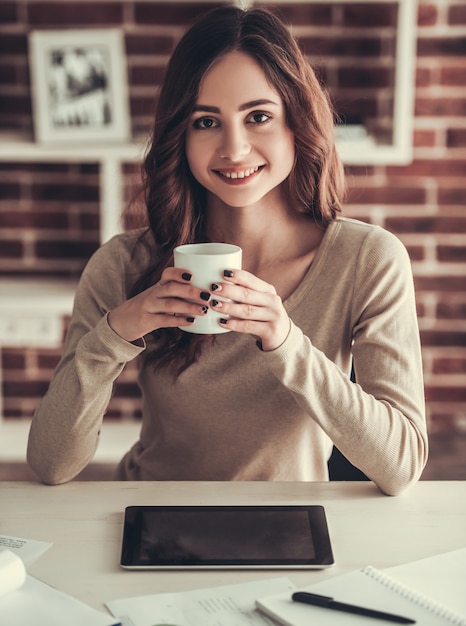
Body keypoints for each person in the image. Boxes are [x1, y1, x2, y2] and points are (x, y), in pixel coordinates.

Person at [27, 5, 427, 495]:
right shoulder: (123, 263)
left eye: (258, 116)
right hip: (152, 512)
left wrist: (286, 342)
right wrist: (117, 332)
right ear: (181, 135)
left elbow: (401, 466)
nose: (234, 149)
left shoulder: (368, 261)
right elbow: (51, 464)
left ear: (296, 123)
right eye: (206, 122)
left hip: (288, 520)